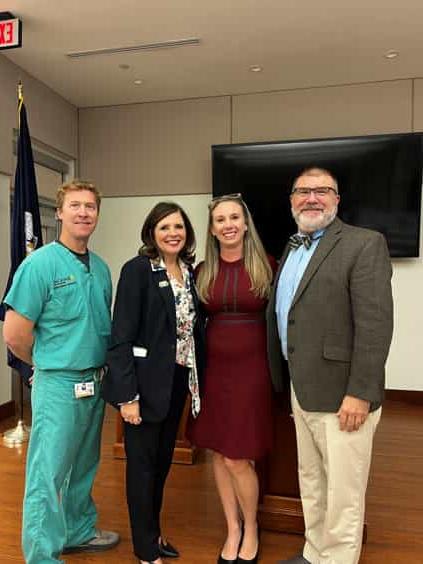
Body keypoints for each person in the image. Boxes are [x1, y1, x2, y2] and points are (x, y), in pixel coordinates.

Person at [267, 167, 393, 564]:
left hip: (344, 395)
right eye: (303, 191)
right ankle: (314, 551)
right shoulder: (292, 247)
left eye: (323, 191)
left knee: (344, 491)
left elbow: (375, 326)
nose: (312, 198)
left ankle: (337, 558)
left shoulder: (364, 244)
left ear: (337, 200)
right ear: (291, 201)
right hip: (302, 388)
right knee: (313, 480)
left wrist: (360, 392)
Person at [2, 180, 120, 564]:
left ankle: (78, 530)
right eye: (76, 206)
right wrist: (43, 365)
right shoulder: (39, 265)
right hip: (58, 384)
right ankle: (41, 554)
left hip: (94, 382)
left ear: (97, 214)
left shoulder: (101, 269)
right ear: (59, 213)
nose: (84, 212)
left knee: (85, 465)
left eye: (90, 206)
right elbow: (15, 334)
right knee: (48, 473)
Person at [102, 201, 205, 564]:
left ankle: (154, 532)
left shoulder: (189, 271)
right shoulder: (137, 271)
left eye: (178, 227)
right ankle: (145, 549)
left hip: (176, 381)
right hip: (143, 388)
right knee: (142, 469)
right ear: (151, 233)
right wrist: (128, 396)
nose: (172, 233)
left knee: (161, 465)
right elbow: (121, 337)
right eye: (164, 227)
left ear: (187, 233)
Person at [187, 193, 275, 564]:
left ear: (245, 222)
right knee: (220, 455)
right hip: (214, 373)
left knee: (239, 457)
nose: (228, 224)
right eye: (220, 219)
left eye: (234, 217)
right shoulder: (203, 270)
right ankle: (232, 528)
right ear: (212, 228)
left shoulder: (267, 265)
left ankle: (251, 527)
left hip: (254, 371)